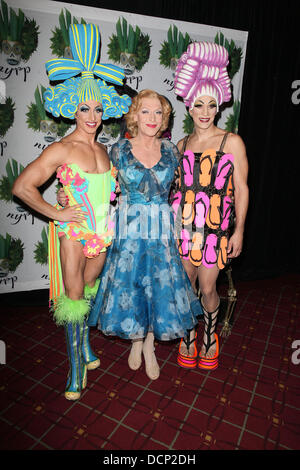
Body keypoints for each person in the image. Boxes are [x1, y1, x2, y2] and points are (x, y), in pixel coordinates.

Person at [12, 23, 131, 400]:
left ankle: (84, 347)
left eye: (97, 108)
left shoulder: (104, 150)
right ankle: (75, 368)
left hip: (102, 235)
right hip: (73, 235)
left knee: (90, 293)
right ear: (71, 109)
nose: (92, 116)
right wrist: (57, 213)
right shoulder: (61, 148)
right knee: (74, 297)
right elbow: (21, 187)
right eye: (84, 108)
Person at [87, 89, 202, 380]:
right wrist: (66, 196)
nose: (152, 118)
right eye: (145, 111)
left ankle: (149, 344)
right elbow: (94, 185)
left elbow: (188, 189)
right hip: (129, 229)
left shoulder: (172, 150)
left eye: (158, 112)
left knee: (158, 288)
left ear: (165, 118)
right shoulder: (117, 150)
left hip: (162, 230)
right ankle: (136, 342)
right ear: (135, 116)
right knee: (133, 285)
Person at [172, 41, 249, 370]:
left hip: (216, 229)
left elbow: (242, 188)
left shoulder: (231, 141)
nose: (204, 111)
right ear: (189, 106)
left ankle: (210, 334)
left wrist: (240, 231)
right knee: (185, 286)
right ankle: (189, 334)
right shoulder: (181, 143)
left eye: (211, 105)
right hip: (185, 229)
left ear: (218, 107)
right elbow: (174, 188)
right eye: (198, 104)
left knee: (207, 287)